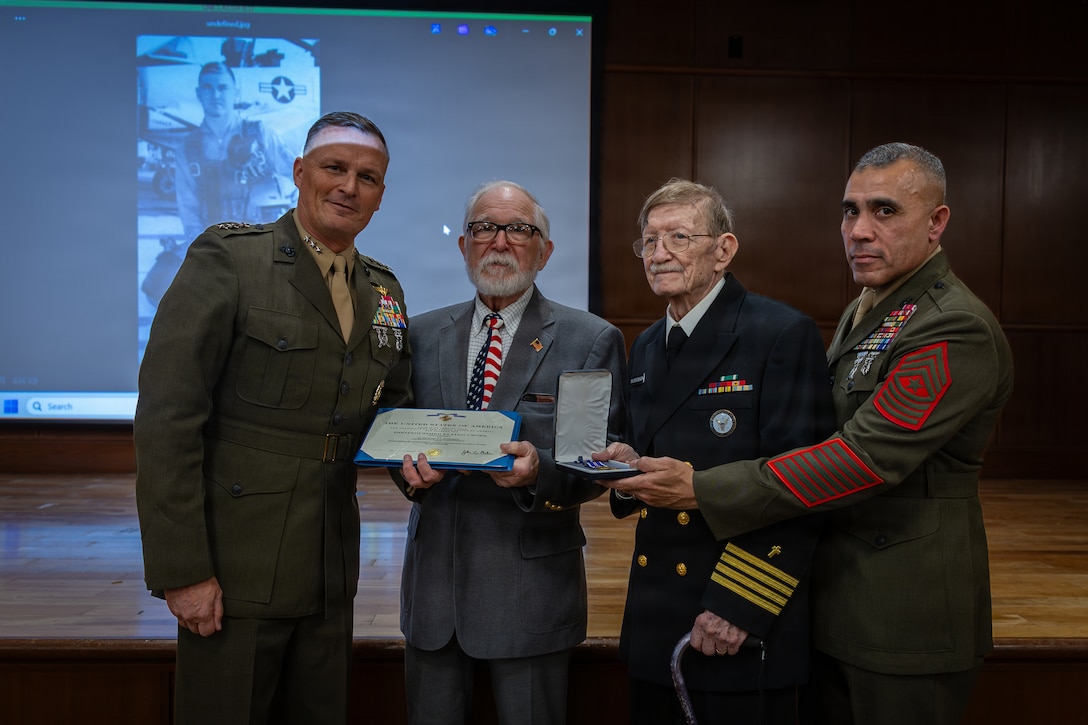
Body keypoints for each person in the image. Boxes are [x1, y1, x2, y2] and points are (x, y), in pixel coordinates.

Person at [602, 143, 1015, 725]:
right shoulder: (872, 311)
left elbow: (861, 458)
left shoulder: (952, 325)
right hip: (837, 595)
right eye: (850, 211)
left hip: (904, 612)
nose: (860, 230)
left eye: (885, 211)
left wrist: (702, 489)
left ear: (936, 222)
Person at [134, 111, 412, 725]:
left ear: (380, 194)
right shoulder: (230, 259)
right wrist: (183, 571)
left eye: (367, 177)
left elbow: (391, 408)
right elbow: (167, 419)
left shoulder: (384, 290)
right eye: (335, 168)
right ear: (299, 172)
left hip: (330, 568)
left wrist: (424, 463)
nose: (349, 187)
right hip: (236, 568)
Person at [593, 179, 835, 724]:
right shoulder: (648, 344)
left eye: (678, 237)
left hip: (731, 611)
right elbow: (657, 450)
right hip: (656, 607)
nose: (658, 254)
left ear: (723, 250)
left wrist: (738, 605)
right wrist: (626, 466)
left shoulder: (779, 333)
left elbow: (803, 483)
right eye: (649, 241)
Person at [395, 180, 627, 725]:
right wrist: (408, 476)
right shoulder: (420, 335)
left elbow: (594, 464)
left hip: (531, 593)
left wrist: (538, 472)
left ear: (544, 251)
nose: (499, 242)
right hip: (433, 594)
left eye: (519, 229)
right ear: (464, 246)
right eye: (483, 228)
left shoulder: (589, 339)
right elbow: (399, 436)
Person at [174, 61, 295, 242]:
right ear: (198, 94)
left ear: (235, 93)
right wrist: (204, 251)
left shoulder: (260, 134)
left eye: (223, 88)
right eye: (207, 88)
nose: (215, 95)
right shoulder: (187, 148)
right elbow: (188, 209)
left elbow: (300, 177)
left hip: (263, 245)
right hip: (218, 248)